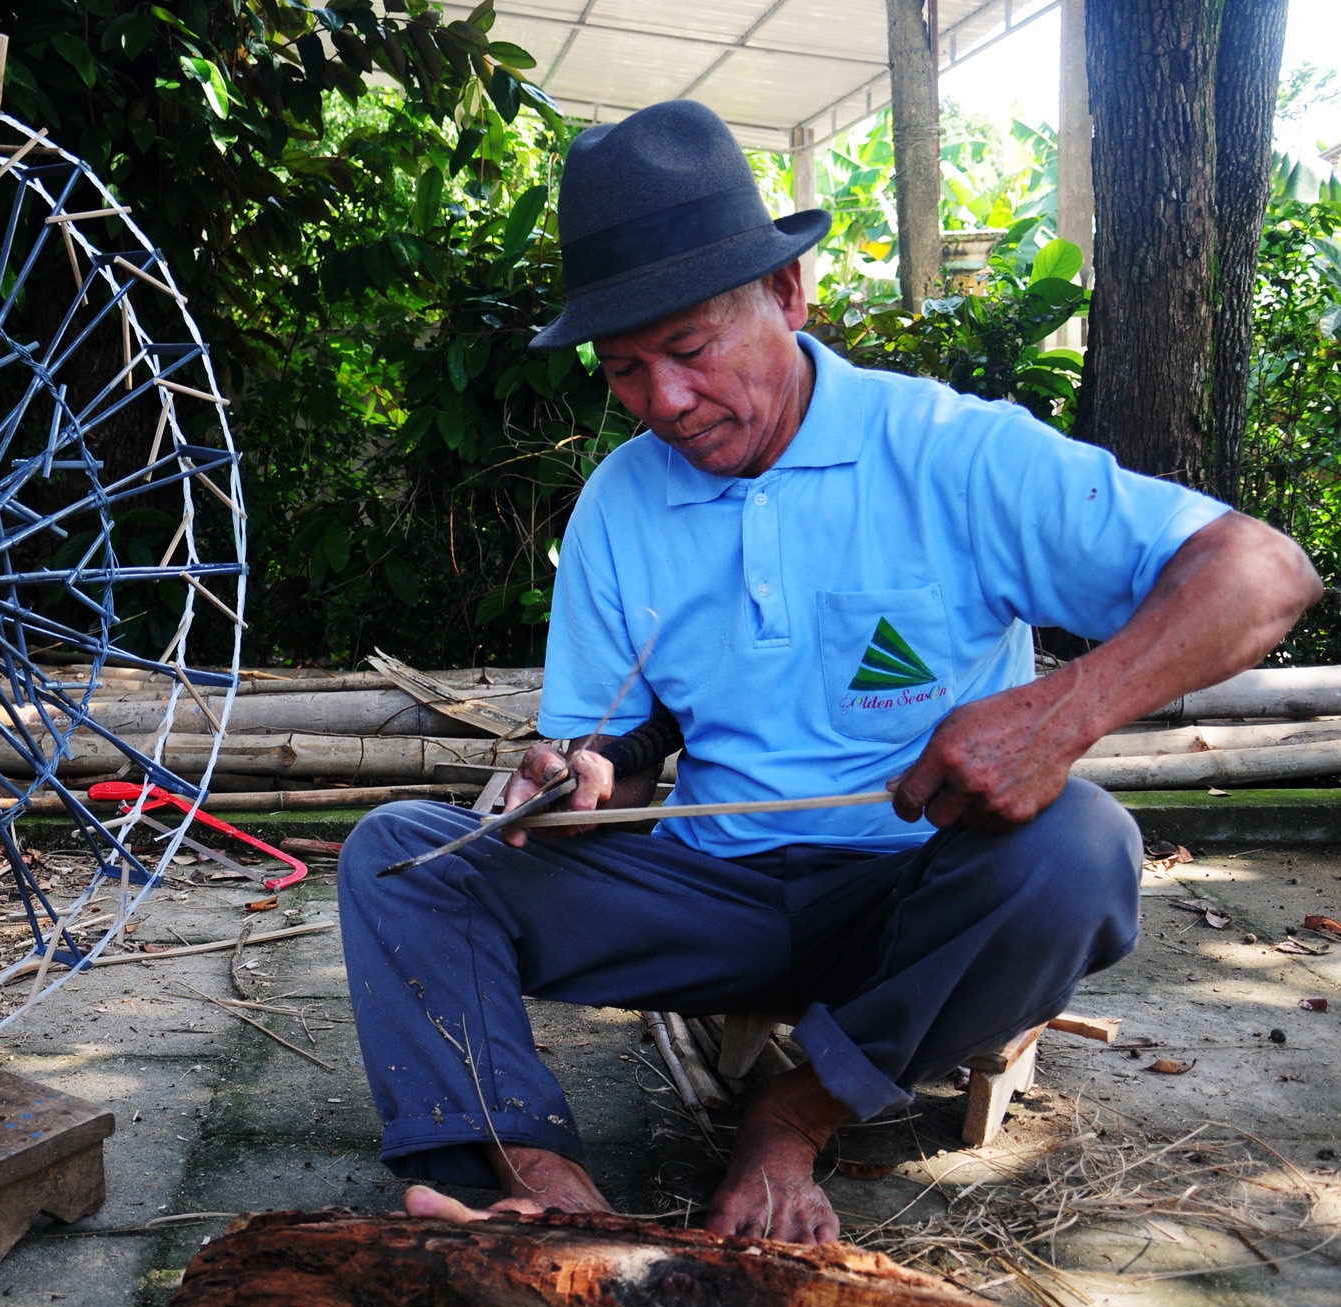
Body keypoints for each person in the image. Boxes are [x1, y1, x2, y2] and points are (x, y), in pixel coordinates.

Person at [336, 99, 1321, 1243]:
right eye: (625, 370)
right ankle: (542, 1184)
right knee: (402, 857)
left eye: (691, 351)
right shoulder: (619, 502)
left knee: (1082, 847)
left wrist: (1062, 712)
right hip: (708, 893)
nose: (663, 402)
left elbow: (1264, 575)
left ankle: (793, 1113)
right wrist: (580, 771)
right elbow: (626, 742)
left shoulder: (952, 453)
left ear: (790, 296)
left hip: (919, 893)